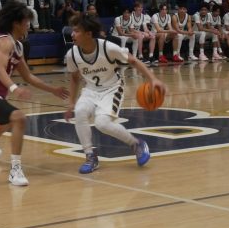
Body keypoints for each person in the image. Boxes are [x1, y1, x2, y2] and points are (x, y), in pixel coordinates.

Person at [0, 1, 68, 186]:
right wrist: (15, 89)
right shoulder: (4, 42)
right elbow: (0, 70)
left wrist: (53, 90)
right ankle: (15, 170)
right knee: (19, 118)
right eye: (26, 21)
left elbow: (29, 77)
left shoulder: (18, 46)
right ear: (16, 23)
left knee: (5, 123)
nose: (28, 25)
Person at [64, 13, 165, 174]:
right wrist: (71, 102)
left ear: (88, 34)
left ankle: (136, 143)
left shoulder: (108, 48)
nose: (72, 34)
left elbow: (133, 60)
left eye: (76, 31)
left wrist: (152, 79)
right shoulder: (72, 54)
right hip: (90, 90)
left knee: (102, 123)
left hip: (112, 89)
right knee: (80, 111)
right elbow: (75, 78)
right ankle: (90, 156)